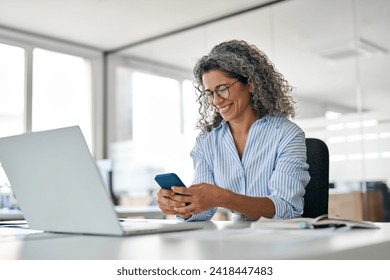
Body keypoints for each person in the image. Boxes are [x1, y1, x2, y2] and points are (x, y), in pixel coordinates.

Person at [157, 39, 310, 221]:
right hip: (235, 240)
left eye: (222, 89)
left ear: (251, 84)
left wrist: (222, 197)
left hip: (279, 241)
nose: (216, 101)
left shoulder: (287, 135)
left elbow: (286, 207)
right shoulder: (207, 141)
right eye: (210, 93)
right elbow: (205, 209)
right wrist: (184, 206)